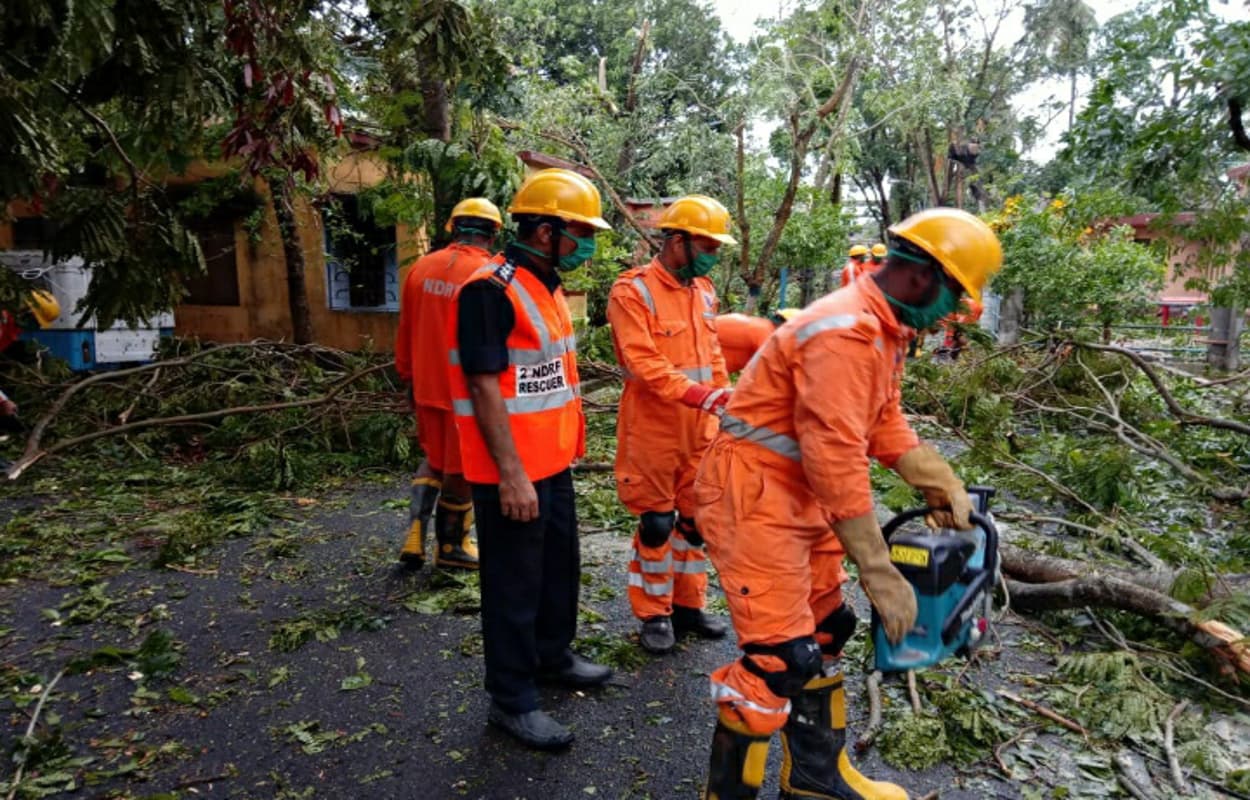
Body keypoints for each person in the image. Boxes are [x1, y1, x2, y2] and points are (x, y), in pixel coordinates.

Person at [695, 208, 1002, 800]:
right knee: (779, 658)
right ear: (925, 278)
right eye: (954, 297)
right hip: (755, 497)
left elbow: (882, 422)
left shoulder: (883, 325)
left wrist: (938, 481)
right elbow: (834, 457)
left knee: (829, 628)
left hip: (802, 497)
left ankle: (815, 777)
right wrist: (880, 570)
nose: (948, 316)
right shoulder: (844, 331)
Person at [447, 169, 613, 751]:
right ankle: (511, 700)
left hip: (552, 462)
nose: (587, 243)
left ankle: (551, 656)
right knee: (513, 586)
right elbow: (486, 386)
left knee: (557, 571)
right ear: (545, 231)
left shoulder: (546, 285)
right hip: (510, 472)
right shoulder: (488, 289)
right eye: (580, 232)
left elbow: (548, 376)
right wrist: (513, 476)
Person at [606, 194, 737, 655]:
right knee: (658, 523)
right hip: (654, 430)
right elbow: (642, 362)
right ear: (676, 241)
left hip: (700, 430)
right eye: (707, 245)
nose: (714, 255)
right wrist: (701, 395)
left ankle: (688, 607)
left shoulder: (702, 291)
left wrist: (724, 402)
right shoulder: (632, 291)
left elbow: (714, 356)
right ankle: (653, 613)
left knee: (696, 522)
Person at [394, 198, 502, 570]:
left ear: (452, 228)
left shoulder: (421, 269)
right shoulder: (490, 274)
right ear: (493, 233)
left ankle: (414, 535)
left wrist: (408, 378)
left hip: (425, 388)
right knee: (462, 468)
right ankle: (452, 547)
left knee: (433, 459)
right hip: (466, 394)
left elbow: (405, 330)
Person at [715, 309, 798, 374]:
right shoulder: (766, 334)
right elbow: (773, 367)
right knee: (708, 384)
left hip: (711, 364)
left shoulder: (763, 326)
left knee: (710, 384)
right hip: (707, 366)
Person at [938, 296, 984, 360]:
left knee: (957, 335)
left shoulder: (944, 313)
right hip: (975, 306)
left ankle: (971, 354)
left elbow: (950, 332)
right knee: (958, 336)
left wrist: (947, 345)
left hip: (972, 309)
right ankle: (954, 355)